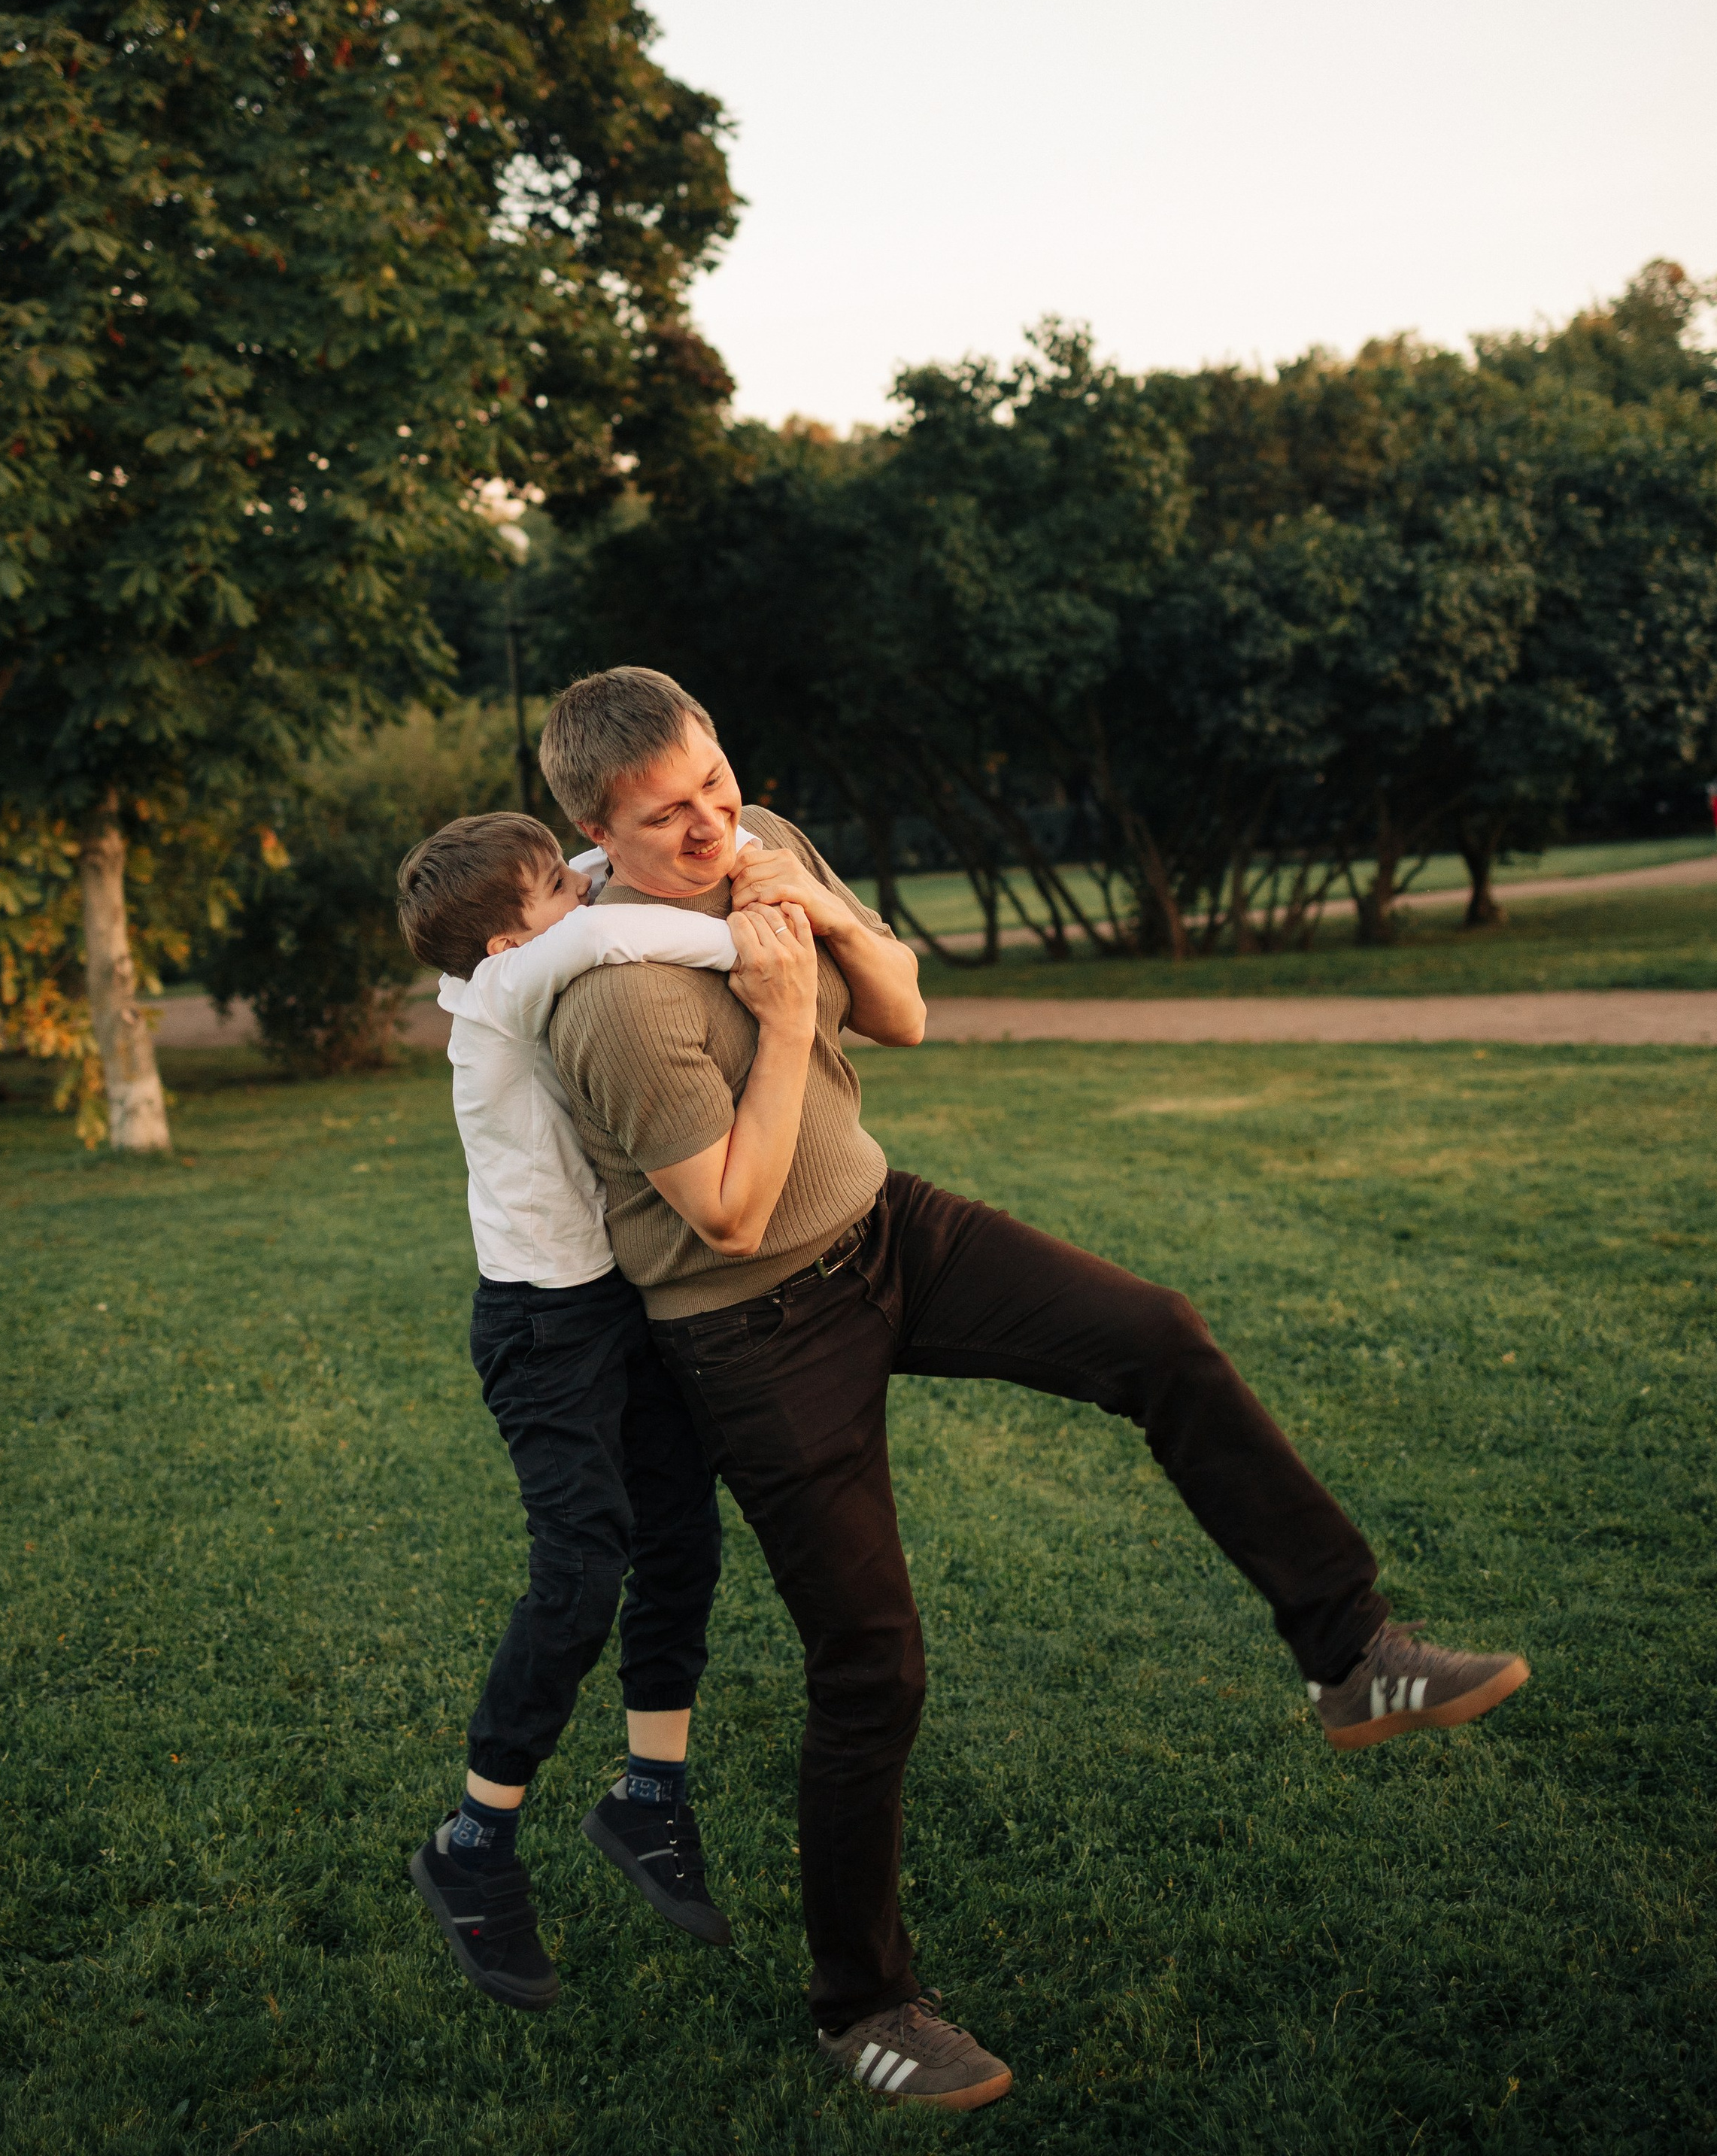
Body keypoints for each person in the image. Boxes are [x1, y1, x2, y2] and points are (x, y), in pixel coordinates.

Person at [538, 666, 1533, 2114]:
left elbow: (907, 1012)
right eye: (668, 817)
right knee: (871, 1666)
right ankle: (864, 2008)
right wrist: (770, 996)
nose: (711, 826)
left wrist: (814, 918)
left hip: (890, 1230)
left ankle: (1353, 1655)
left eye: (716, 784)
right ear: (595, 829)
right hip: (753, 1326)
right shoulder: (615, 1001)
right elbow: (734, 1214)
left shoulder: (769, 849)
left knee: (1159, 1336)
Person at [392, 807, 812, 2011]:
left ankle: (650, 1802)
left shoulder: (519, 936)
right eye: (555, 894)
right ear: (501, 941)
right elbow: (602, 932)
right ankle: (471, 1850)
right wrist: (771, 946)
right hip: (542, 1333)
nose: (577, 896)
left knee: (681, 1535)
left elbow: (581, 877)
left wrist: (658, 834)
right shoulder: (516, 981)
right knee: (582, 1573)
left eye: (568, 882)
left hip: (609, 1304)